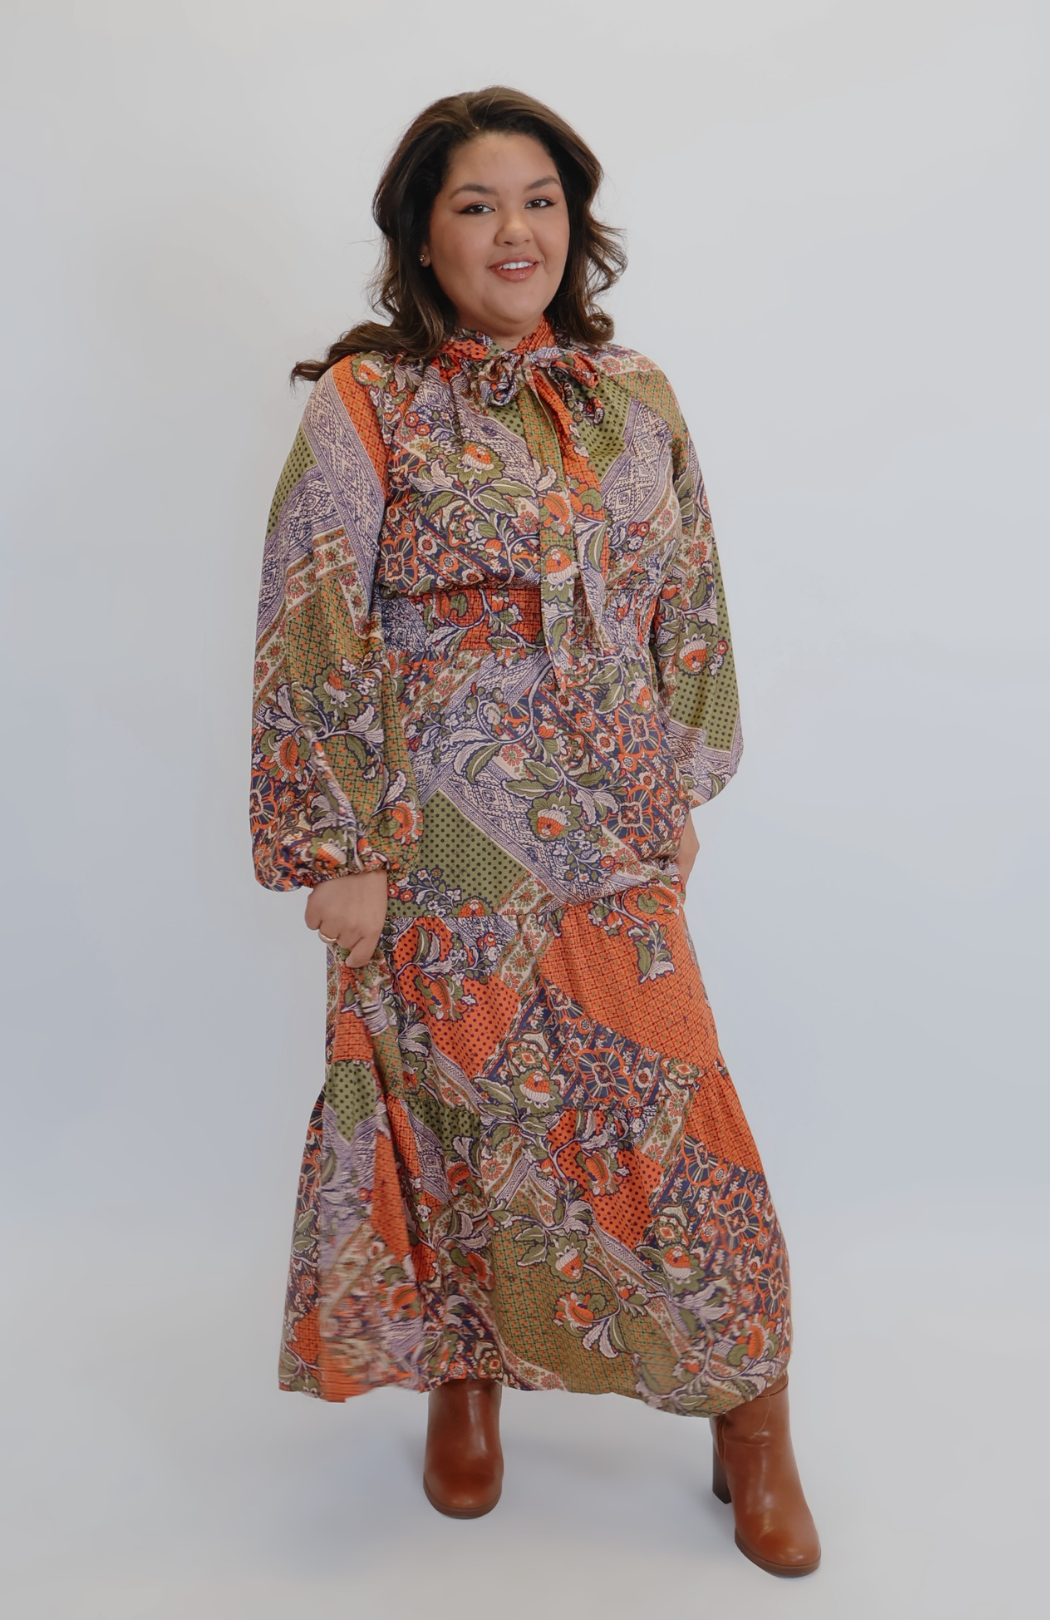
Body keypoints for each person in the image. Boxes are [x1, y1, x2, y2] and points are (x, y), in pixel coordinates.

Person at [250, 86, 820, 1577]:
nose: (516, 231)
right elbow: (312, 619)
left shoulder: (638, 395)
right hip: (436, 838)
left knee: (674, 1124)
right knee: (462, 1124)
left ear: (577, 224)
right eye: (477, 205)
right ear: (422, 241)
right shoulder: (366, 404)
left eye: (541, 202)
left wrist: (678, 783)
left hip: (611, 827)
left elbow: (689, 595)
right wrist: (339, 848)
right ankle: (468, 1380)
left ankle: (751, 1421)